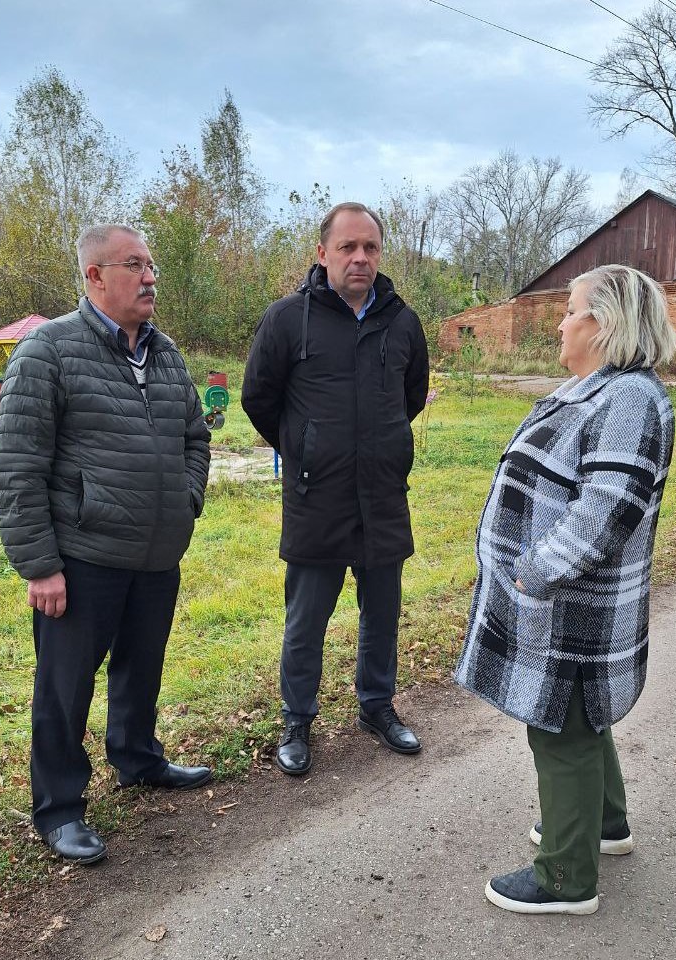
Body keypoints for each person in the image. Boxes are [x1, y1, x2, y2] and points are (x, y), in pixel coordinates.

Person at [455, 264, 676, 915]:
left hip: (575, 605)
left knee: (562, 729)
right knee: (581, 720)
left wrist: (537, 570)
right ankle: (604, 824)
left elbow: (606, 509)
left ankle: (565, 876)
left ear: (604, 323)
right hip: (564, 602)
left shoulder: (629, 399)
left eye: (571, 309)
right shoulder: (601, 389)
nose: (560, 320)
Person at [0, 224, 212, 864]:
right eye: (134, 265)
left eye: (152, 266)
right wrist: (40, 565)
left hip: (157, 553)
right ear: (94, 276)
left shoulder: (165, 354)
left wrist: (185, 499)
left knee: (142, 668)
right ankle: (59, 808)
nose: (149, 278)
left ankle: (138, 759)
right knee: (64, 688)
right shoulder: (48, 352)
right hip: (83, 558)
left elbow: (195, 437)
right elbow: (16, 465)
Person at [241, 202, 429, 775]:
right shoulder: (287, 319)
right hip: (314, 498)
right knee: (306, 621)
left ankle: (377, 707)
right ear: (322, 254)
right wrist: (306, 447)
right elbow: (258, 398)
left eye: (370, 248)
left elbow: (412, 396)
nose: (360, 258)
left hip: (381, 496)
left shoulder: (403, 323)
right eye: (347, 247)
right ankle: (297, 720)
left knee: (383, 615)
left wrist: (381, 445)